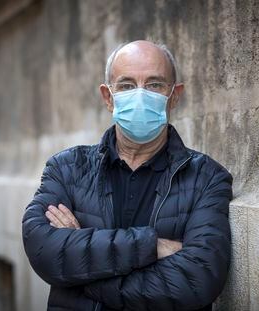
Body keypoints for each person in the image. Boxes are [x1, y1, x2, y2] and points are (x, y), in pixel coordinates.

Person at [22, 40, 233, 311]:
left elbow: (195, 281)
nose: (140, 95)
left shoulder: (206, 177)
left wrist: (82, 274)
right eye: (126, 85)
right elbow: (44, 251)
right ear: (108, 97)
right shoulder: (67, 168)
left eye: (155, 84)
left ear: (175, 95)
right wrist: (150, 246)